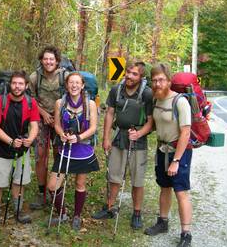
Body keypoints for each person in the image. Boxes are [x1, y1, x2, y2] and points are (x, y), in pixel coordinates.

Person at [92, 61, 153, 229]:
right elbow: (110, 113)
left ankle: (137, 213)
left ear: (141, 77)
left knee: (137, 179)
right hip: (118, 137)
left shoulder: (147, 94)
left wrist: (139, 133)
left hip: (138, 140)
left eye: (135, 74)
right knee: (114, 175)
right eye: (128, 72)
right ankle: (110, 207)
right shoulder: (116, 90)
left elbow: (150, 121)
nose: (130, 76)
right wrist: (106, 138)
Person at [144, 63, 193, 247]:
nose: (157, 83)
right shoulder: (156, 100)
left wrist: (177, 161)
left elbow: (186, 133)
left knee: (181, 192)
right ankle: (162, 222)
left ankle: (186, 234)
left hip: (179, 152)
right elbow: (155, 125)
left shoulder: (180, 101)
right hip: (161, 150)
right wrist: (138, 133)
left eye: (161, 79)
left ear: (169, 81)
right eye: (154, 80)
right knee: (164, 187)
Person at [46, 72, 99, 231]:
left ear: (82, 85)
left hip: (83, 149)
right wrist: (61, 133)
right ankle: (62, 213)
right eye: (71, 82)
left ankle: (76, 215)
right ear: (67, 85)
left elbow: (94, 128)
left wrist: (79, 137)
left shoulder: (90, 104)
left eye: (77, 83)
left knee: (80, 183)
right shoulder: (59, 103)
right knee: (52, 185)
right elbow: (56, 124)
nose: (74, 85)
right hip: (65, 149)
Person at [0, 70, 39, 224]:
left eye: (20, 84)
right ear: (10, 84)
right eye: (14, 83)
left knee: (19, 181)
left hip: (22, 149)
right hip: (0, 149)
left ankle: (18, 211)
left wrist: (30, 139)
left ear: (26, 85)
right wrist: (10, 141)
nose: (17, 87)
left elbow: (34, 125)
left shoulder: (31, 102)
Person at [28, 46, 69, 209]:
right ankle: (41, 192)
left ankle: (56, 191)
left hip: (60, 120)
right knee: (40, 156)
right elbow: (30, 99)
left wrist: (57, 118)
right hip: (40, 118)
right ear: (41, 60)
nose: (48, 62)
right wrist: (44, 114)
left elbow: (71, 96)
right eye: (45, 59)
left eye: (51, 59)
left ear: (57, 61)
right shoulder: (34, 77)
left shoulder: (64, 76)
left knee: (59, 154)